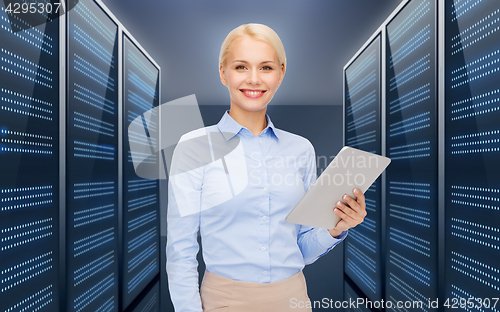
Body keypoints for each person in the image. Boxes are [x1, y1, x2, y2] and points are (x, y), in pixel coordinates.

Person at [166, 23, 367, 312]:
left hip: (294, 299)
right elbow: (180, 252)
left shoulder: (301, 149)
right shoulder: (194, 147)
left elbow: (302, 249)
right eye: (240, 67)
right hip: (223, 302)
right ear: (223, 72)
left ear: (281, 74)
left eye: (266, 68)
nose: (254, 79)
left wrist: (337, 228)